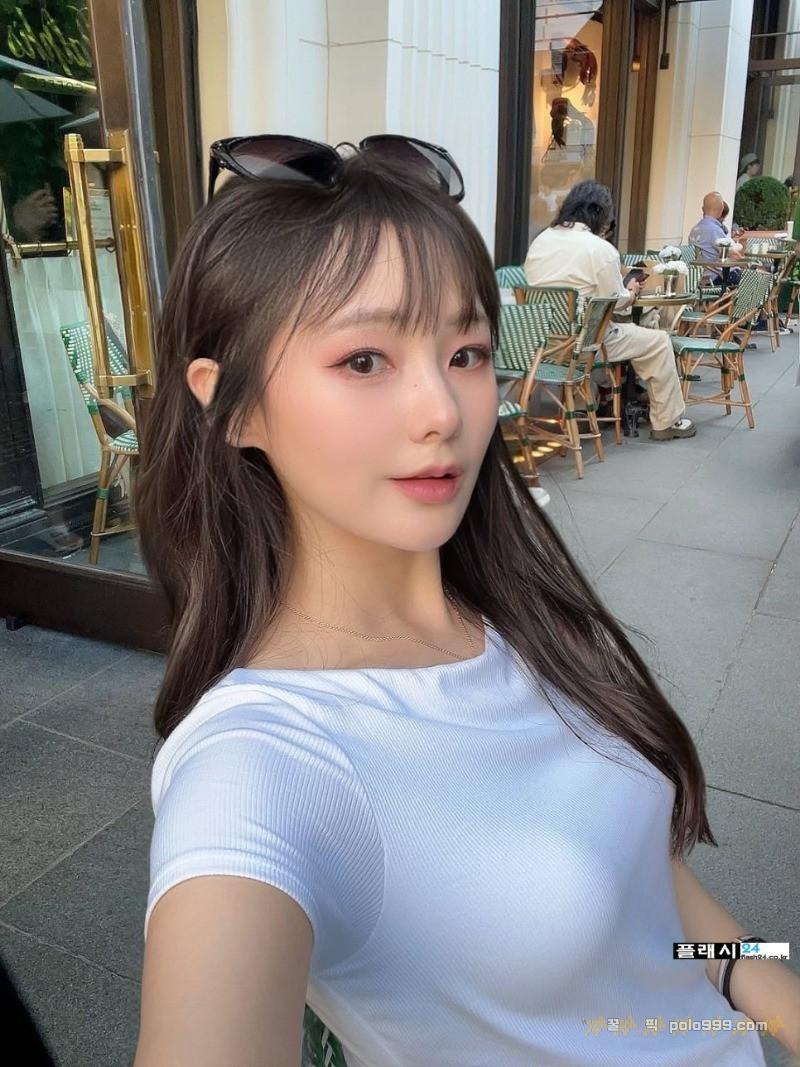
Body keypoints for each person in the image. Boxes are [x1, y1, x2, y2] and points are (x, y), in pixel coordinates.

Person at [132, 140, 799, 1067]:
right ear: (231, 406)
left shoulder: (517, 621)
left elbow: (654, 892)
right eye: (364, 358)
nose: (442, 409)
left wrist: (761, 983)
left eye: (465, 352)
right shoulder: (261, 765)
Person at [524, 180, 695, 440]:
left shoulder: (541, 240)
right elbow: (616, 301)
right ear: (600, 214)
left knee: (595, 333)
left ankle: (584, 408)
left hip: (541, 344)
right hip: (582, 345)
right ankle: (666, 421)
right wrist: (631, 292)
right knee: (658, 341)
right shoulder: (600, 249)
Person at [688, 191, 744, 286]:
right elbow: (733, 255)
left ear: (703, 209)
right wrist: (746, 262)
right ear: (721, 210)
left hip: (701, 277)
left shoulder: (694, 229)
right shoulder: (714, 230)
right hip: (717, 277)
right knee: (756, 278)